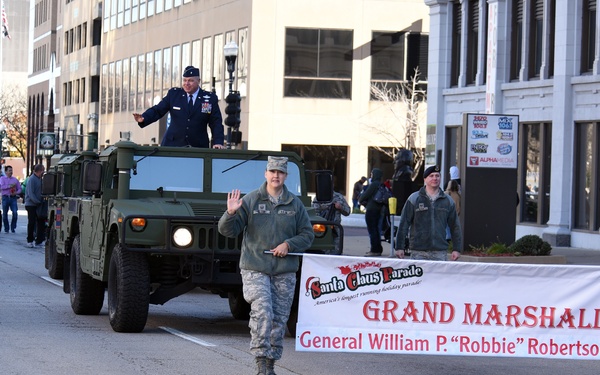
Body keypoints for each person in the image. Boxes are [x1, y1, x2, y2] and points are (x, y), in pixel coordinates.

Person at [218, 156, 314, 375]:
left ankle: (270, 364)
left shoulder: (294, 204)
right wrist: (230, 213)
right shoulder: (252, 200)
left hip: (284, 270)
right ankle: (261, 360)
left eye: (280, 172)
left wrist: (289, 244)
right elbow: (227, 231)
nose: (276, 176)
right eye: (272, 171)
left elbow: (307, 234)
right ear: (266, 174)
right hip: (255, 266)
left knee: (279, 318)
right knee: (263, 312)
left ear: (285, 175)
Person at [133, 65, 225, 149]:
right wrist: (144, 118)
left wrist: (218, 142)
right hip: (172, 145)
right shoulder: (174, 95)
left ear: (198, 81)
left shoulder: (209, 98)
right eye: (184, 80)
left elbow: (216, 122)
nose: (187, 83)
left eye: (190, 80)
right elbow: (158, 110)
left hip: (197, 147)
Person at [395, 165, 462, 261]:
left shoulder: (448, 201)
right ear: (425, 179)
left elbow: (455, 226)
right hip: (418, 252)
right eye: (431, 176)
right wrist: (399, 247)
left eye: (437, 176)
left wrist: (456, 249)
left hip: (440, 252)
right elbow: (404, 223)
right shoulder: (414, 199)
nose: (435, 178)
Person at [312, 189, 351, 254]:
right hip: (322, 229)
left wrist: (341, 207)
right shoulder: (319, 198)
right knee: (323, 251)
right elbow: (314, 213)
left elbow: (348, 211)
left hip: (336, 229)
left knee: (336, 251)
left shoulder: (339, 197)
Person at [359, 168, 385, 257]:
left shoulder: (374, 184)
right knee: (377, 230)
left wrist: (361, 200)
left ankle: (374, 250)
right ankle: (378, 249)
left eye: (372, 174)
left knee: (372, 230)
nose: (371, 176)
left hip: (371, 210)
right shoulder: (382, 185)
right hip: (379, 210)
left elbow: (364, 196)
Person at [25, 164, 46, 248]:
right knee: (32, 222)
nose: (43, 172)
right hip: (31, 204)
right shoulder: (32, 179)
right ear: (39, 171)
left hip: (39, 204)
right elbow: (30, 193)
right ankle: (30, 240)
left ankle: (39, 240)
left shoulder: (40, 179)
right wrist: (36, 201)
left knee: (41, 222)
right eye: (42, 170)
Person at [0, 165, 23, 233]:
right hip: (5, 197)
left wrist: (16, 192)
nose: (11, 172)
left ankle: (13, 227)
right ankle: (6, 228)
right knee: (5, 214)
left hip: (13, 198)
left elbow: (20, 189)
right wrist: (9, 186)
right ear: (6, 171)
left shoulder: (15, 180)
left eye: (11, 170)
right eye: (9, 170)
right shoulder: (2, 179)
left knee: (15, 213)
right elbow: (2, 187)